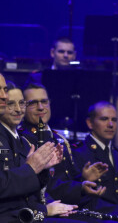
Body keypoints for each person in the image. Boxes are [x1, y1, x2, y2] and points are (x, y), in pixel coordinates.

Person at [0, 75, 84, 222]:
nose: (18, 110)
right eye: (11, 104)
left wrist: (43, 170)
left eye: (21, 103)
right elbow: (7, 191)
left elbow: (32, 190)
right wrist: (44, 211)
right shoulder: (19, 138)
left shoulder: (22, 142)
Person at [18, 83, 109, 209]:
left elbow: (68, 178)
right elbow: (46, 187)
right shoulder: (22, 140)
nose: (40, 107)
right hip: (46, 209)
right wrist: (80, 187)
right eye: (33, 103)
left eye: (44, 101)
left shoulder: (60, 139)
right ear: (23, 107)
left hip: (70, 206)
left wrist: (84, 178)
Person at [72, 101, 118, 223]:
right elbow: (81, 200)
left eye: (114, 120)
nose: (111, 124)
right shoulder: (78, 153)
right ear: (90, 123)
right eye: (104, 119)